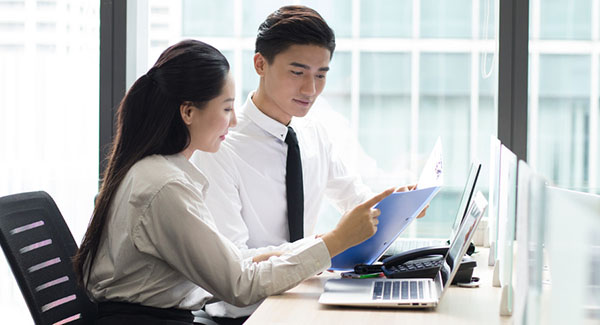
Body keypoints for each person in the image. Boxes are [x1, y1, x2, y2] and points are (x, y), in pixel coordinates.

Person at [72, 39, 393, 324]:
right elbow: (240, 286)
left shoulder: (159, 172)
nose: (235, 119)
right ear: (188, 112)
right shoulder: (164, 185)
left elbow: (229, 260)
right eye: (226, 108)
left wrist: (315, 246)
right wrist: (334, 243)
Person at [190, 5, 425, 323]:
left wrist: (401, 205)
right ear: (260, 64)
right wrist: (326, 246)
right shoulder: (220, 145)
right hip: (246, 313)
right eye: (297, 72)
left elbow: (356, 203)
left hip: (304, 299)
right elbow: (234, 265)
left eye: (321, 75)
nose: (310, 90)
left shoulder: (314, 130)